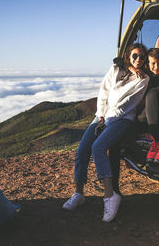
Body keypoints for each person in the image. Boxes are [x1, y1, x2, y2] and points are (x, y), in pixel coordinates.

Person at [62, 43, 149, 223]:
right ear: (128, 56)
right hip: (102, 117)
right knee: (82, 151)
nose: (139, 60)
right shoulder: (116, 70)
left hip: (122, 119)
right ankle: (79, 193)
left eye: (142, 56)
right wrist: (101, 115)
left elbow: (128, 103)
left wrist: (108, 119)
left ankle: (110, 196)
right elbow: (103, 92)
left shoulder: (143, 79)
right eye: (135, 56)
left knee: (98, 147)